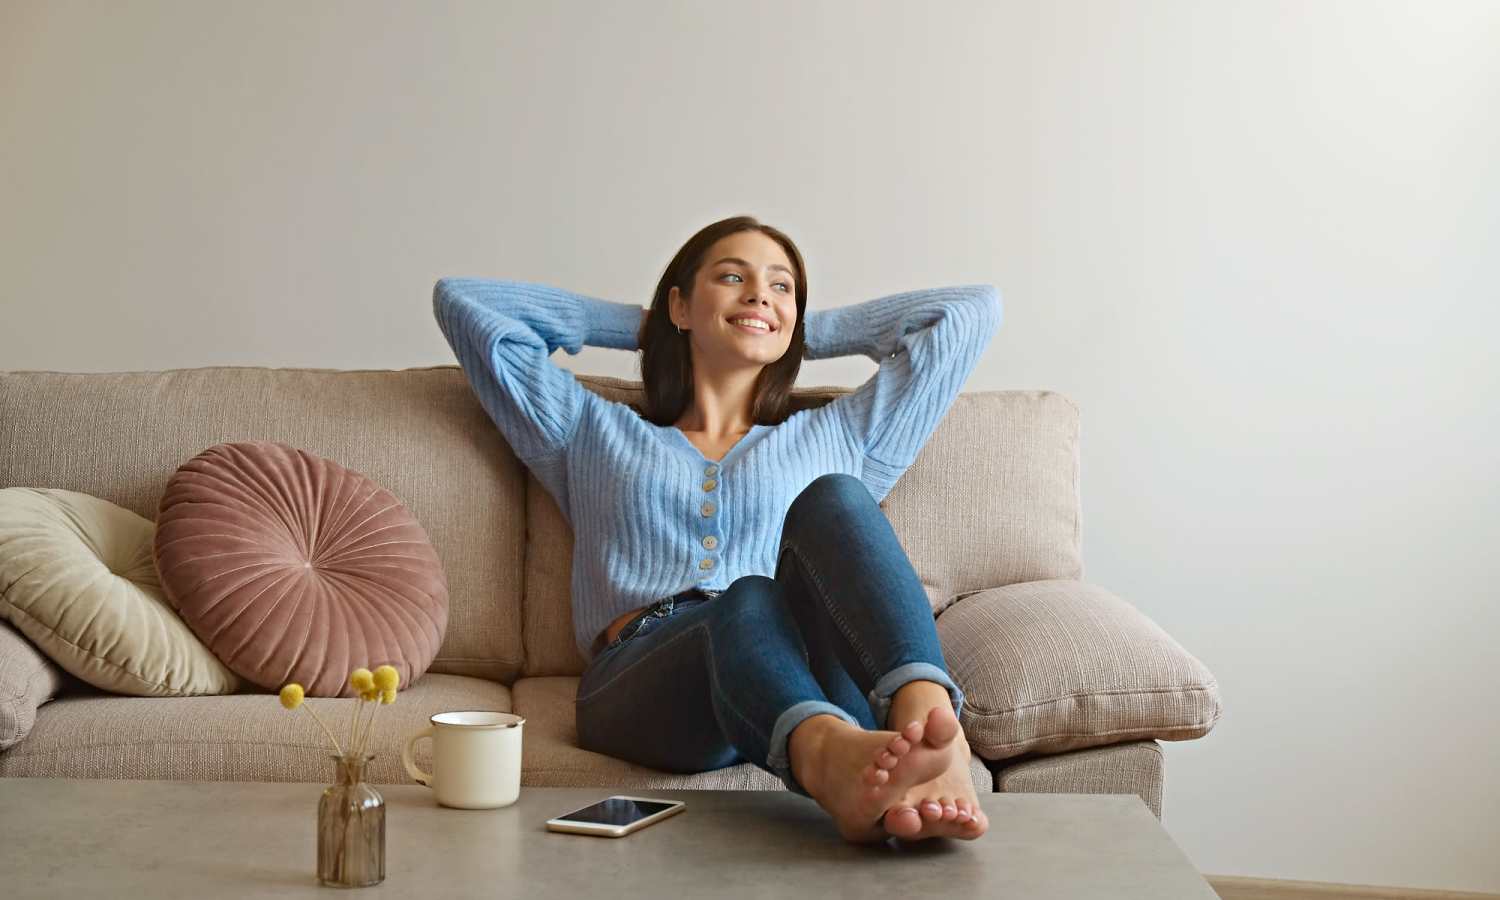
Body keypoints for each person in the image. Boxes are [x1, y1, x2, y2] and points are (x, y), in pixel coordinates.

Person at [432, 215, 1003, 843]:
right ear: (680, 303)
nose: (760, 294)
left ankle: (923, 719)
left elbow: (969, 314)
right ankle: (828, 755)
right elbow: (466, 303)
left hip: (808, 671)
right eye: (732, 277)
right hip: (649, 684)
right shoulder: (587, 430)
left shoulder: (842, 434)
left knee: (837, 496)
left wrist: (802, 331)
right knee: (748, 595)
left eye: (782, 286)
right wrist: (649, 326)